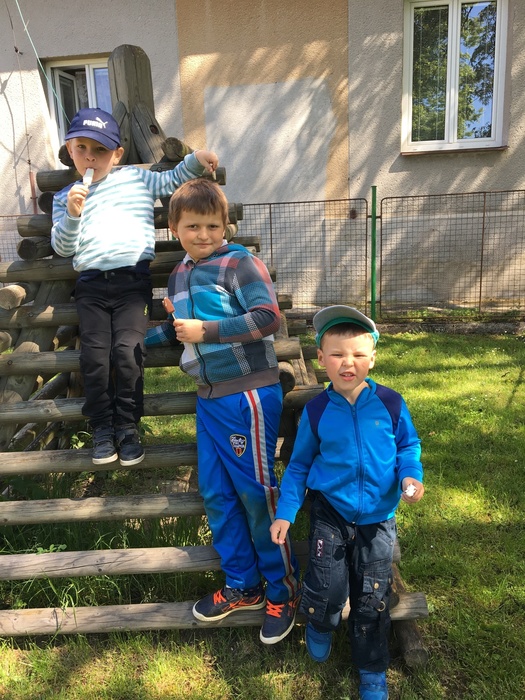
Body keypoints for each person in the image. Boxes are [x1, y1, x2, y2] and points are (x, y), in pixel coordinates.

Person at [145, 178, 300, 644]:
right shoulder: (179, 274)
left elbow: (267, 317)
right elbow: (179, 328)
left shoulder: (239, 262)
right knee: (216, 494)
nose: (204, 234)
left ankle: (283, 590)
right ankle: (243, 585)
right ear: (174, 229)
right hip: (208, 399)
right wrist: (139, 342)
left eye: (213, 225)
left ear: (225, 226)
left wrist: (207, 331)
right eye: (193, 226)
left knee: (256, 495)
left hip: (246, 395)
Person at [269, 306, 424, 700]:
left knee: (372, 595)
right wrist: (286, 512)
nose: (347, 363)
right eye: (337, 354)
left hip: (378, 518)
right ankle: (321, 622)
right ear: (322, 359)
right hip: (330, 513)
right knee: (327, 583)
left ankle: (372, 669)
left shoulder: (390, 403)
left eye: (357, 354)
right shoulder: (318, 410)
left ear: (373, 358)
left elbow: (408, 446)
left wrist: (411, 476)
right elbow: (299, 465)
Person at [51, 107, 218, 467]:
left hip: (132, 283)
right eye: (82, 148)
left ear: (117, 154)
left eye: (100, 149)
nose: (90, 157)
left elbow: (173, 179)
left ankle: (127, 426)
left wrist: (196, 158)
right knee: (95, 357)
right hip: (91, 286)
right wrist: (73, 215)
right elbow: (62, 248)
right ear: (70, 150)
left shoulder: (135, 179)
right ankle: (101, 428)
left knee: (128, 352)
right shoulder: (66, 196)